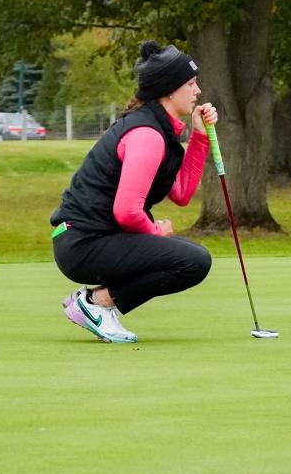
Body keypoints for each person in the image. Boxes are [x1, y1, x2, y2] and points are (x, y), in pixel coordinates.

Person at [50, 40, 218, 343]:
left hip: (91, 239)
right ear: (168, 89)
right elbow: (126, 211)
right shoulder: (147, 135)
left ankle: (95, 304)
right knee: (193, 262)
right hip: (83, 243)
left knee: (191, 259)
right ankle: (95, 304)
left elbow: (180, 193)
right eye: (191, 83)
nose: (198, 91)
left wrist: (200, 138)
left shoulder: (158, 130)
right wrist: (155, 232)